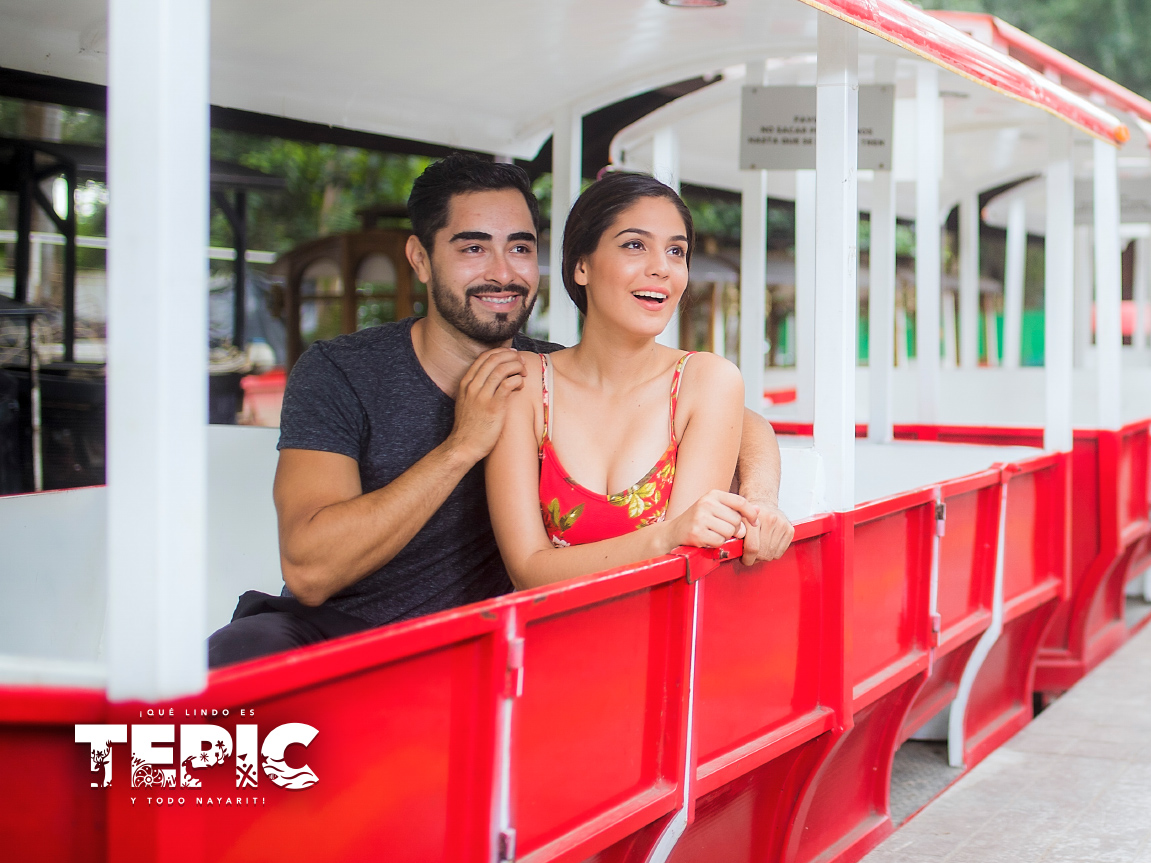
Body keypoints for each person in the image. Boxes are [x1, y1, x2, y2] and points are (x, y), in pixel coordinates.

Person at [207, 156, 792, 667]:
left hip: (482, 638)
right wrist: (462, 444)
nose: (502, 271)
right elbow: (310, 571)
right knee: (239, 654)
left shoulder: (542, 373)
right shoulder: (345, 371)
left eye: (519, 247)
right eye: (472, 247)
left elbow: (738, 419)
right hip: (342, 631)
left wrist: (759, 502)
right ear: (419, 257)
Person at [487, 172, 755, 587]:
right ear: (581, 266)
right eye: (635, 245)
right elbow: (527, 570)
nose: (661, 268)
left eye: (676, 251)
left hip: (664, 642)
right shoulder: (522, 383)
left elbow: (683, 566)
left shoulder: (707, 381)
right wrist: (664, 535)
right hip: (549, 642)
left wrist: (761, 496)